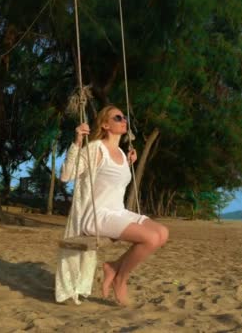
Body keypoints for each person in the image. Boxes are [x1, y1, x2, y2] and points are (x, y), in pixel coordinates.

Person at [55, 105, 169, 306]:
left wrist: (128, 163)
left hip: (118, 212)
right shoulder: (95, 148)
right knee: (150, 239)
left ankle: (114, 266)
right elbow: (66, 175)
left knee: (162, 233)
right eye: (118, 117)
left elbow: (111, 181)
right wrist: (78, 141)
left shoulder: (122, 153)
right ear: (105, 125)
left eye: (124, 117)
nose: (124, 119)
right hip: (98, 216)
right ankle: (120, 279)